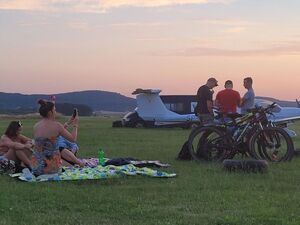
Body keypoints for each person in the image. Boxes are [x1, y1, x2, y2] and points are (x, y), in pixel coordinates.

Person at [31, 99, 81, 176]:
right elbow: (73, 139)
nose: (56, 112)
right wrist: (75, 125)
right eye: (55, 110)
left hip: (36, 168)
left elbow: (53, 134)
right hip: (51, 169)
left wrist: (68, 123)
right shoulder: (57, 126)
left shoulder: (36, 126)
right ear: (50, 112)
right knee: (67, 157)